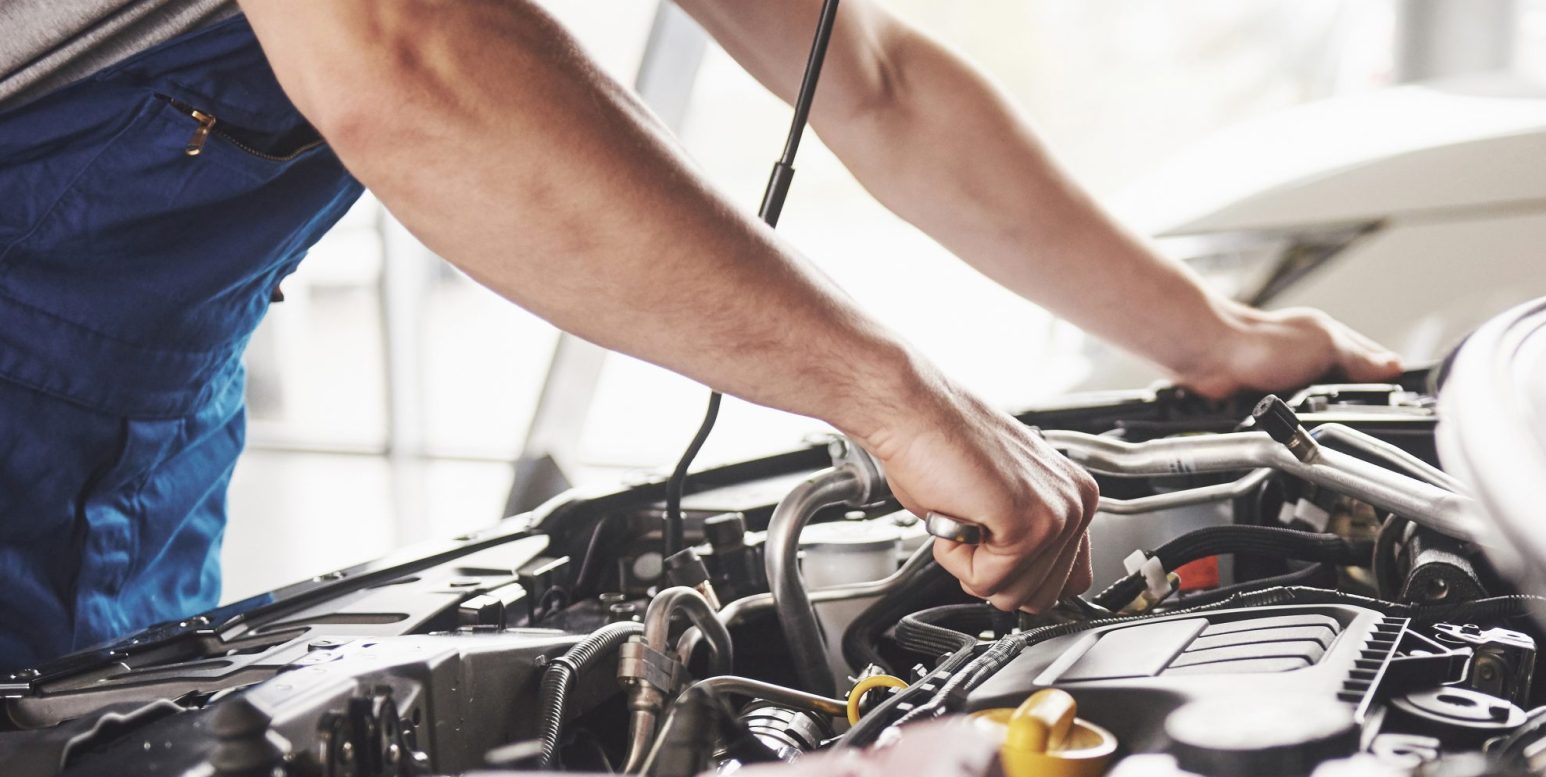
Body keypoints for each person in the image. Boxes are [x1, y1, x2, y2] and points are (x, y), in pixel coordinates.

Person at [0, 0, 1400, 671]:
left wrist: (1210, 337)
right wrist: (892, 398)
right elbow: (404, 51)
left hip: (131, 424)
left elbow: (871, 82)